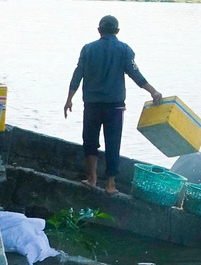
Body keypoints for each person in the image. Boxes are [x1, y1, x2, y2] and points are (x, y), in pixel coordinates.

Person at [61, 14, 160, 193]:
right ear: (117, 31)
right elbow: (136, 75)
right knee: (113, 143)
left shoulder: (88, 49)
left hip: (92, 105)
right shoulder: (124, 50)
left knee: (90, 141)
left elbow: (78, 75)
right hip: (115, 107)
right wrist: (153, 91)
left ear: (99, 30)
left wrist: (69, 99)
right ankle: (110, 185)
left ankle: (92, 178)